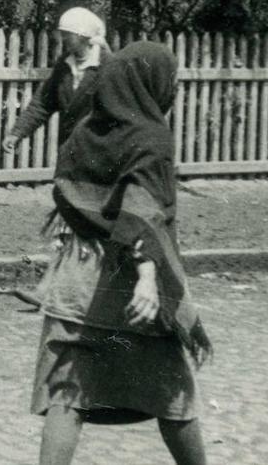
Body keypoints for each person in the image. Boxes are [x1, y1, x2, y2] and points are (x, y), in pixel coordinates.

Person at [31, 42, 212, 465]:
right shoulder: (150, 136)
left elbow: (67, 191)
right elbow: (142, 205)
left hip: (74, 279)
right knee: (173, 390)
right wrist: (148, 275)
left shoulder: (85, 131)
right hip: (128, 281)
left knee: (67, 392)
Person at [3, 7, 109, 155]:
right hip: (69, 149)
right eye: (63, 34)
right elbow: (42, 103)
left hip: (100, 151)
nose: (63, 39)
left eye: (68, 34)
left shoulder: (108, 65)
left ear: (84, 35)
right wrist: (17, 133)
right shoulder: (64, 65)